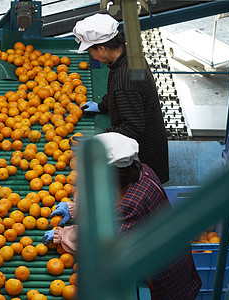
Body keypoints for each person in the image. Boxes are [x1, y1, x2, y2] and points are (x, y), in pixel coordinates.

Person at [43, 132, 201, 299]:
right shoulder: (141, 170)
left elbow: (106, 248)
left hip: (164, 273)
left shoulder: (130, 205)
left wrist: (64, 235)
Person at [74, 14, 169, 184]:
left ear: (102, 49)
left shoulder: (127, 80)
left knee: (141, 190)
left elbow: (133, 128)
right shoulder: (126, 55)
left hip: (143, 150)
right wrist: (102, 106)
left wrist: (100, 138)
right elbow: (117, 91)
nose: (92, 57)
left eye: (91, 51)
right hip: (150, 131)